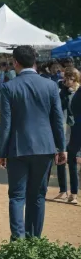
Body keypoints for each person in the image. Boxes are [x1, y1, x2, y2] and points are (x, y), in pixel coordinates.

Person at [0, 45, 66, 239]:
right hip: (45, 146)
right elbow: (57, 120)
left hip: (18, 148)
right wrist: (61, 147)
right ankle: (34, 238)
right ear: (35, 61)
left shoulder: (9, 87)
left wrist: (2, 152)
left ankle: (18, 239)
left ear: (15, 62)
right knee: (37, 196)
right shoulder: (51, 85)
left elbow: (6, 124)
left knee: (17, 196)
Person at [55, 67, 80, 203]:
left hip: (76, 128)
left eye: (70, 78)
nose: (67, 81)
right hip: (65, 127)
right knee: (61, 156)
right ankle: (63, 189)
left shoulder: (78, 92)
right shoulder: (63, 92)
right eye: (66, 78)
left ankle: (74, 193)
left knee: (73, 160)